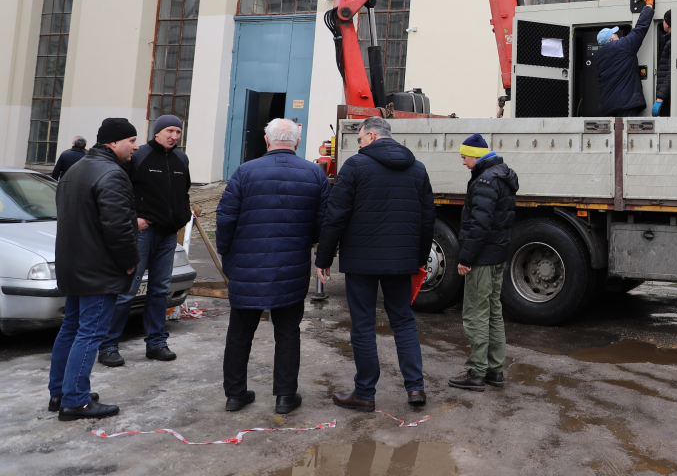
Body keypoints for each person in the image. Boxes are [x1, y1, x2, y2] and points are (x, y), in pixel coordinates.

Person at [316, 116, 435, 411]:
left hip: (361, 262)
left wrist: (324, 257)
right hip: (401, 261)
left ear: (370, 136)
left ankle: (365, 394)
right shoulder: (418, 169)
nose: (358, 145)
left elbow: (336, 215)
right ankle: (415, 388)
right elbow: (427, 220)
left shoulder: (355, 166)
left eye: (359, 139)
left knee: (364, 325)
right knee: (403, 320)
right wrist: (417, 261)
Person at [217, 118, 328, 415]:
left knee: (240, 333)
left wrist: (228, 257)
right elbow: (323, 223)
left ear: (267, 142)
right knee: (288, 332)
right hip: (290, 267)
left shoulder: (244, 172)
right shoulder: (314, 174)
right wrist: (307, 243)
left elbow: (225, 220)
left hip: (246, 267)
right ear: (297, 143)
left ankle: (235, 395)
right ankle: (285, 396)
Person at [48, 118, 140, 420]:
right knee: (90, 333)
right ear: (113, 143)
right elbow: (118, 227)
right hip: (99, 269)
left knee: (71, 328)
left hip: (75, 265)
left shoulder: (77, 169)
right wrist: (129, 263)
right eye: (131, 141)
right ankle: (76, 400)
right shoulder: (112, 173)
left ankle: (61, 392)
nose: (135, 147)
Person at [98, 115, 192, 367]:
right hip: (143, 233)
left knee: (160, 290)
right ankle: (108, 345)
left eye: (178, 131)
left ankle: (156, 343)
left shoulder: (181, 159)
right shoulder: (139, 156)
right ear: (157, 132)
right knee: (127, 290)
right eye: (169, 130)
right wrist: (134, 218)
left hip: (168, 233)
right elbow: (121, 191)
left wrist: (181, 216)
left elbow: (183, 192)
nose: (174, 135)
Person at [449, 134, 518, 392]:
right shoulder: (501, 176)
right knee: (493, 312)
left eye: (464, 157)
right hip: (497, 255)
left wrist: (466, 258)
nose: (464, 162)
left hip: (482, 258)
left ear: (475, 156)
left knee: (475, 314)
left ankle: (476, 373)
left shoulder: (485, 181)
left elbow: (480, 225)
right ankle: (495, 370)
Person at [595, 0, 655, 117]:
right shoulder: (622, 46)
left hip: (607, 106)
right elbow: (640, 28)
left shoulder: (598, 55)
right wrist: (649, 5)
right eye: (615, 35)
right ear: (611, 39)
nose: (618, 36)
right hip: (625, 103)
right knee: (625, 136)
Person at [654, 9, 671, 117]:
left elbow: (671, 73)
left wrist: (660, 98)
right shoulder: (669, 40)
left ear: (668, 23)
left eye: (664, 20)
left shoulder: (671, 42)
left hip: (667, 98)